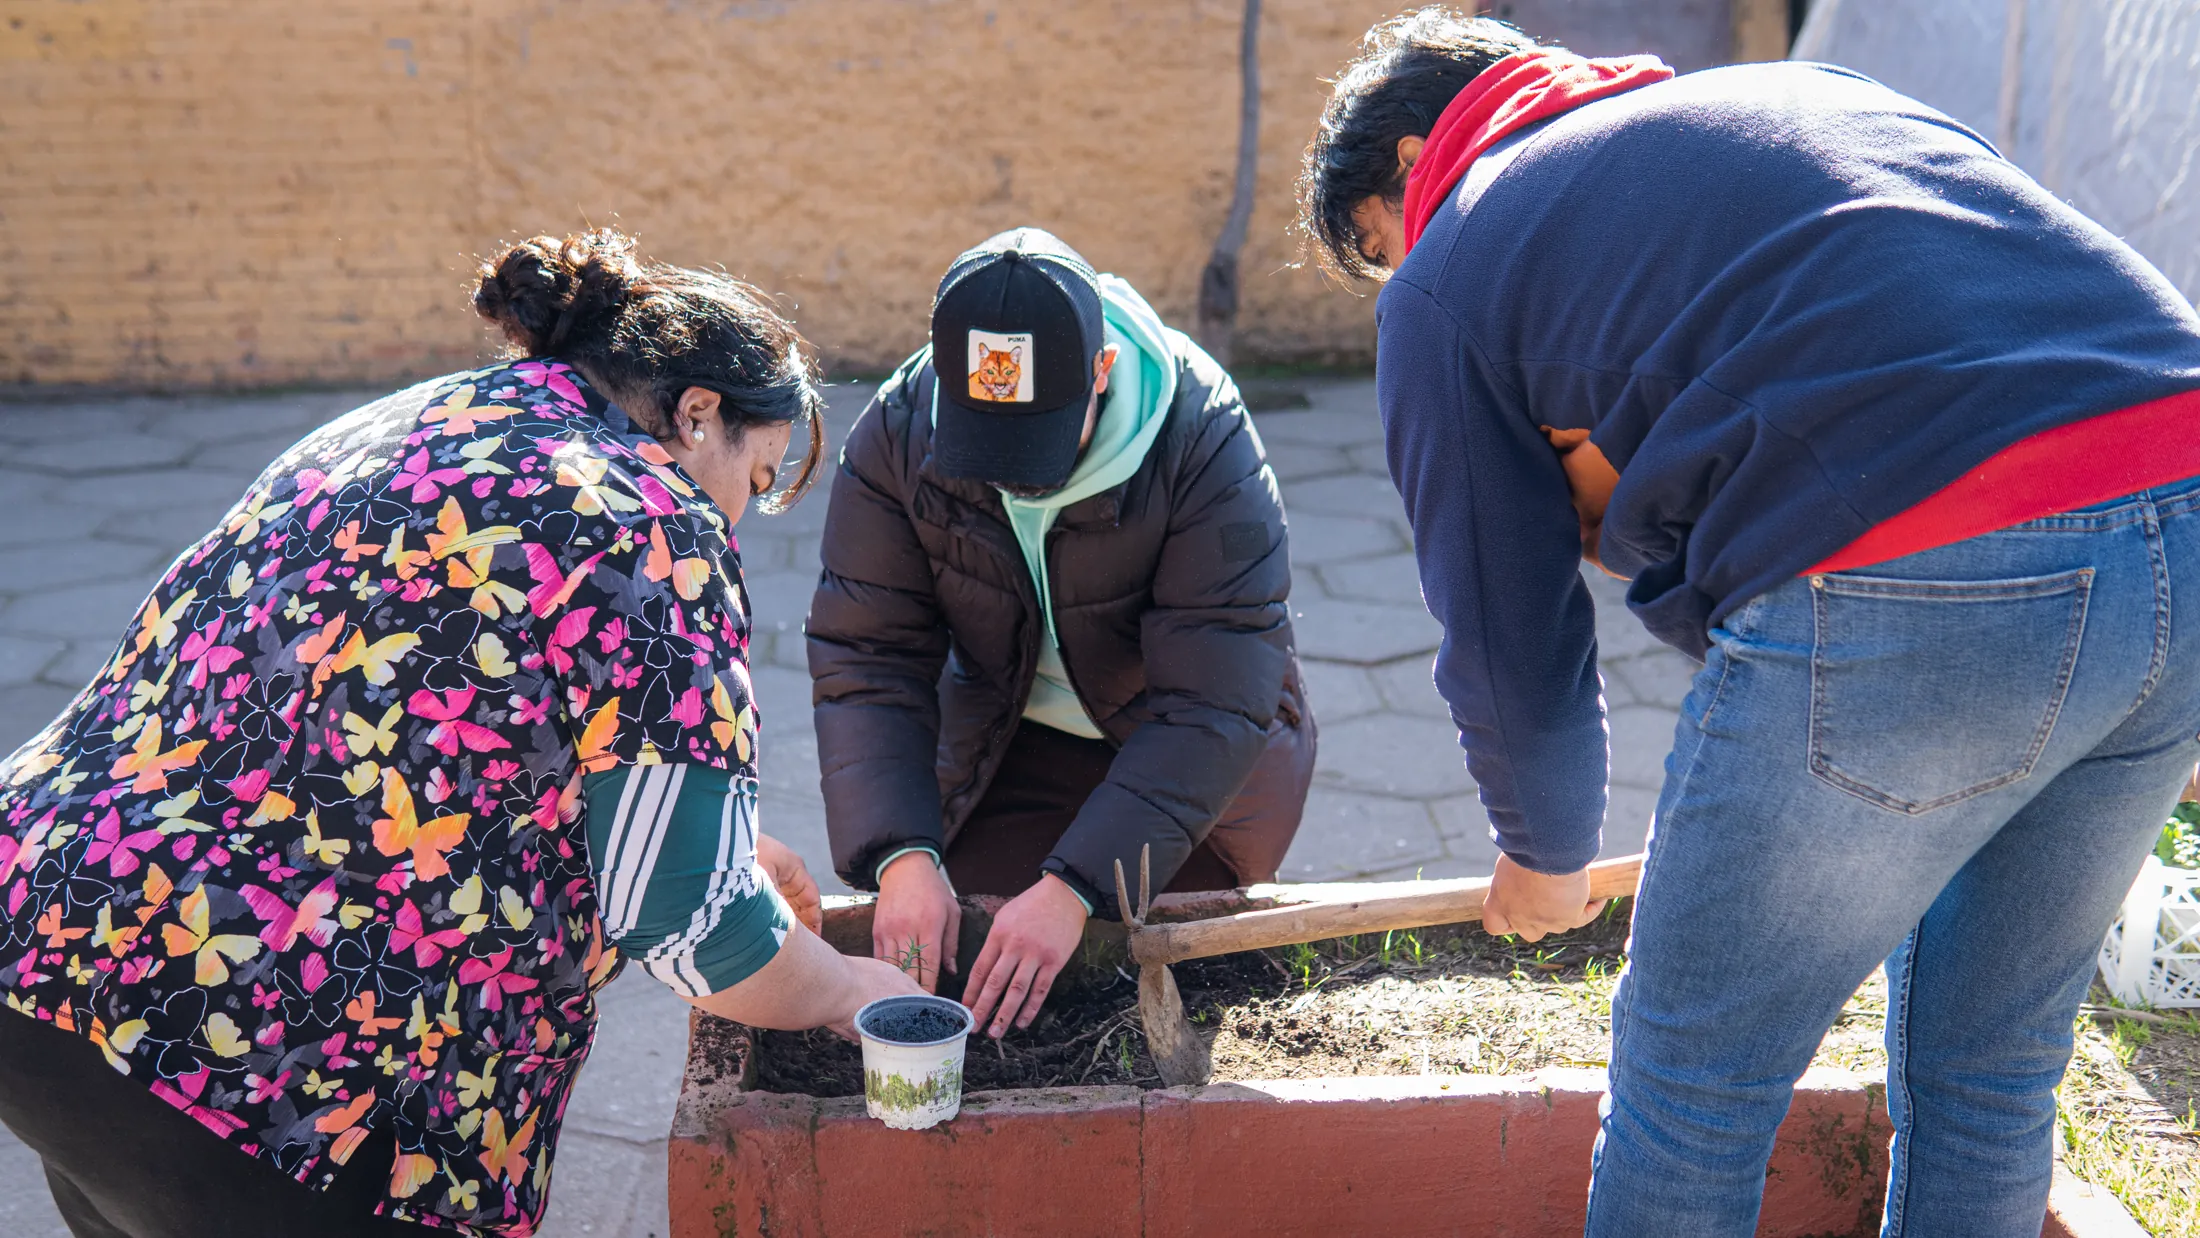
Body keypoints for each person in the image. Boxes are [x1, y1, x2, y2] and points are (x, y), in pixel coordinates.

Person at [1299, 10, 2200, 1238]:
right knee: (1989, 1068)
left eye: (1376, 246)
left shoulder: (1454, 256)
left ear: (1412, 158)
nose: (1395, 276)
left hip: (1935, 563)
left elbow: (1507, 626)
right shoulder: (1788, 95)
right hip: (2182, 521)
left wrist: (1543, 845)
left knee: (1694, 1088)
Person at [0, 228, 919, 1238]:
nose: (746, 515)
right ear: (700, 417)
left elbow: (425, 713)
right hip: (254, 1051)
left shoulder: (431, 415)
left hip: (49, 928)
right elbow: (693, 928)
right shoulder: (654, 520)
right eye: (764, 474)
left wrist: (733, 847)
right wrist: (846, 988)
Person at [807, 227, 1313, 1039]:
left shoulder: (1201, 435)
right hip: (1004, 738)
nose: (1015, 472)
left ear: (1102, 371)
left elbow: (1216, 703)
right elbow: (869, 654)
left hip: (1185, 754)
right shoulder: (898, 435)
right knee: (965, 958)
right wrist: (902, 855)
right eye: (987, 442)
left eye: (1039, 434)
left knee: (1184, 974)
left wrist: (1077, 888)